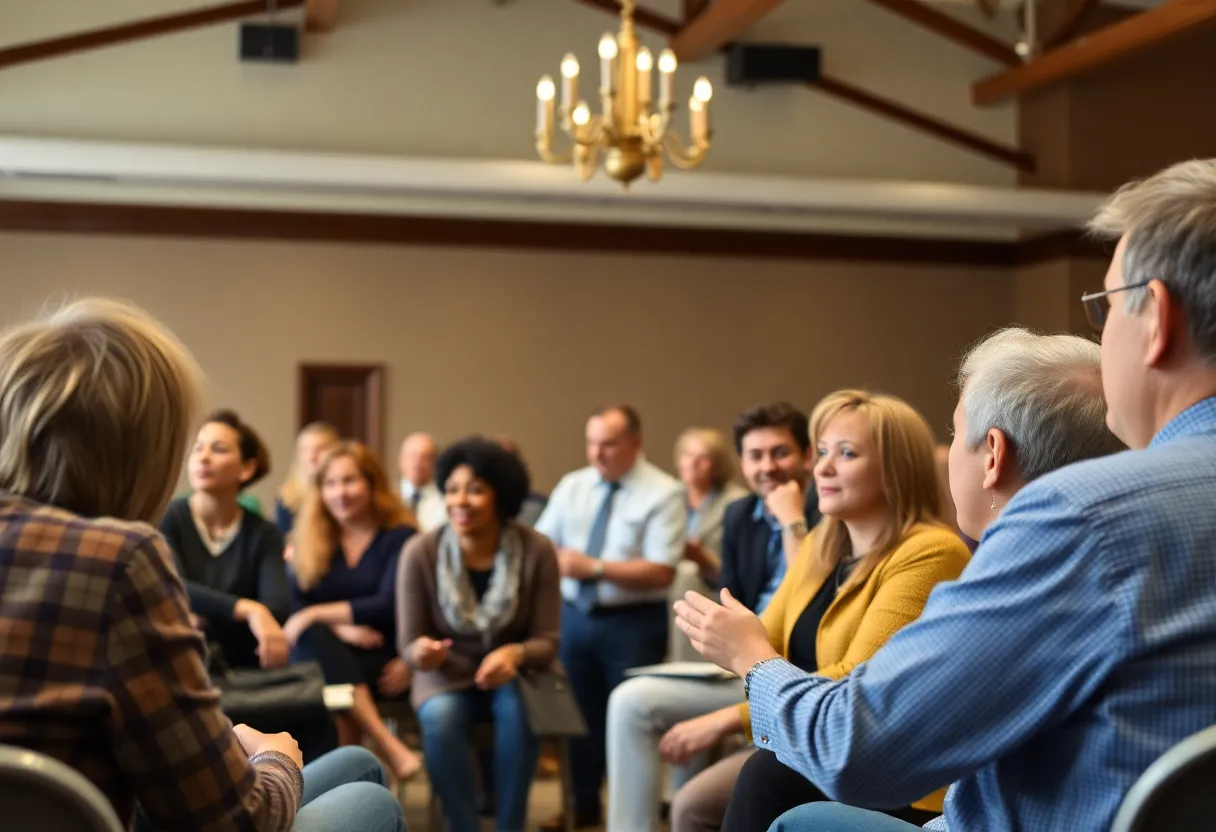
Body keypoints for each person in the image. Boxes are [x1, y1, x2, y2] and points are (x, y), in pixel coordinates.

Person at [676, 159, 1216, 832]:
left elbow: (861, 751)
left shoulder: (1081, 518)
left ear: (1157, 317)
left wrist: (754, 662)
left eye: (1105, 308)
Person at [0, 297, 404, 831]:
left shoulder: (250, 534)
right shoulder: (119, 558)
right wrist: (275, 757)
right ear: (142, 450)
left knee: (358, 762)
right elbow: (233, 821)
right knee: (372, 801)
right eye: (190, 447)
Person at [721, 328, 1125, 832]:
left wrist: (752, 661)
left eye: (955, 434)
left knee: (788, 807)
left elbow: (853, 750)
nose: (823, 468)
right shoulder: (1122, 550)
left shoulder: (1001, 584)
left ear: (993, 455)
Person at [661, 390, 970, 832]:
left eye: (846, 454)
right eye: (822, 451)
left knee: (765, 775)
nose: (821, 467)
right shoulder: (824, 546)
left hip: (898, 771)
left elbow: (856, 682)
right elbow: (768, 639)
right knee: (696, 803)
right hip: (820, 736)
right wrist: (729, 637)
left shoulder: (931, 551)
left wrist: (733, 707)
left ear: (895, 467)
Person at [605, 402, 819, 832]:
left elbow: (808, 601)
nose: (768, 467)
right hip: (736, 666)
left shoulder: (827, 513)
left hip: (801, 673)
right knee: (629, 700)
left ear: (808, 456)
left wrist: (791, 522)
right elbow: (730, 596)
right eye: (755, 456)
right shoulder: (740, 515)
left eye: (780, 453)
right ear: (741, 462)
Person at [397, 437, 562, 832]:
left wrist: (515, 654)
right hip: (444, 676)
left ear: (501, 497)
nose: (460, 502)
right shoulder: (420, 551)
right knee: (440, 717)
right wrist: (421, 652)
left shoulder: (536, 550)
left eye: (476, 490)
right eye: (452, 490)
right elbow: (409, 642)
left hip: (515, 676)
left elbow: (548, 639)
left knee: (518, 713)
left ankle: (510, 825)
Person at [534, 405, 686, 830]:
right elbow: (544, 543)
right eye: (592, 442)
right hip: (573, 617)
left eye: (609, 443)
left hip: (633, 621)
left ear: (635, 443)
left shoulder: (663, 491)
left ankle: (630, 814)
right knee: (578, 717)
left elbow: (662, 569)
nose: (597, 453)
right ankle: (582, 806)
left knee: (628, 719)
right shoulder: (573, 485)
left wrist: (595, 568)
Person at [286, 440, 423, 781]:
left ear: (372, 484)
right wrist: (337, 626)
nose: (339, 493)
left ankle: (345, 806)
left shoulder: (400, 537)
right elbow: (295, 606)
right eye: (330, 484)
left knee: (332, 697)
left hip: (384, 659)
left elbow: (386, 603)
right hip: (329, 654)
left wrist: (318, 615)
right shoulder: (311, 539)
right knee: (319, 661)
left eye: (349, 481)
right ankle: (385, 743)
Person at [161, 410, 291, 670]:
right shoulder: (167, 518)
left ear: (247, 468)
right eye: (198, 449)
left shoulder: (264, 534)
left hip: (245, 667)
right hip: (177, 660)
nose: (204, 457)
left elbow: (276, 608)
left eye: (218, 449)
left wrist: (204, 611)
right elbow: (172, 589)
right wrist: (250, 610)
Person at [276, 421, 341, 535]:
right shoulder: (287, 497)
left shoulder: (343, 493)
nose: (311, 457)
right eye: (305, 450)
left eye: (320, 449)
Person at [400, 431, 446, 531]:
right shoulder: (387, 496)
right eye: (412, 456)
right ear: (400, 459)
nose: (417, 463)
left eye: (425, 457)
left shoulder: (445, 501)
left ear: (436, 462)